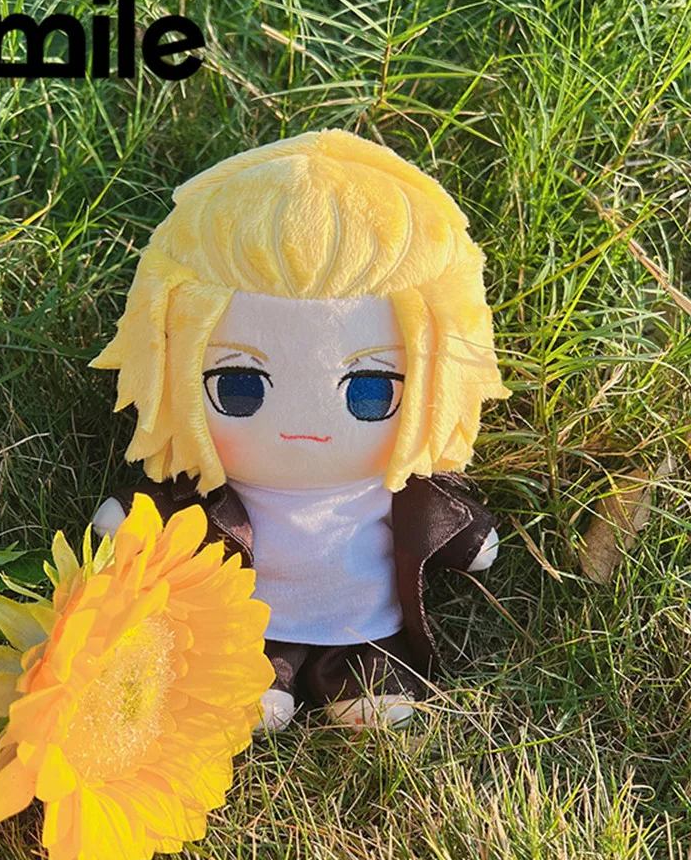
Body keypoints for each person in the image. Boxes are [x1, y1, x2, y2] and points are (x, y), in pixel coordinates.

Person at [90, 130, 509, 731]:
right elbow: (171, 511)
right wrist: (135, 518)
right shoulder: (223, 488)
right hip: (249, 623)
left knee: (371, 674)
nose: (304, 426)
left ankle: (359, 680)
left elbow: (438, 516)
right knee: (251, 666)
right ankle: (265, 677)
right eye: (239, 388)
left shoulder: (387, 484)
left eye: (370, 393)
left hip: (366, 626)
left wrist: (468, 539)